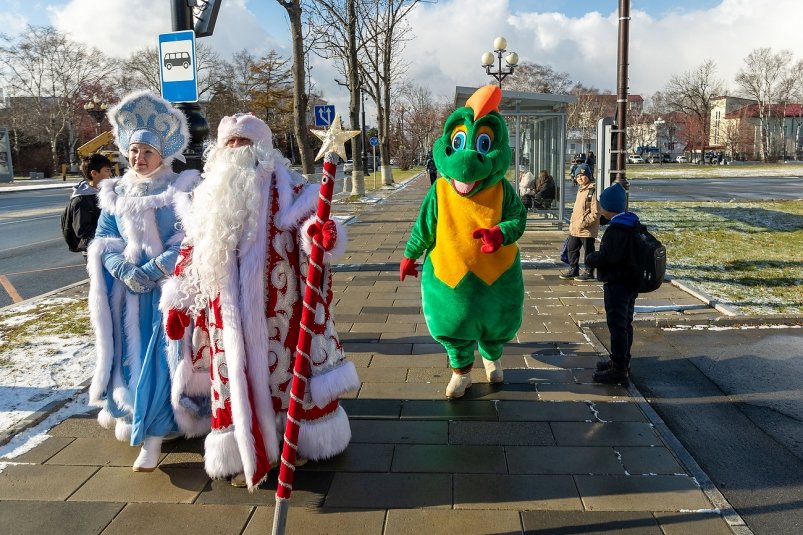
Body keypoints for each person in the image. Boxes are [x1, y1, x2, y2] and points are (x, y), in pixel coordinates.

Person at [161, 113, 360, 490]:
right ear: (218, 150)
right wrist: (178, 303)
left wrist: (322, 235)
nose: (236, 150)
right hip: (225, 317)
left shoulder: (290, 188)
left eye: (244, 142)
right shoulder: (205, 197)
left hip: (279, 310)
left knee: (284, 379)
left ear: (263, 147)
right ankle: (242, 453)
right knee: (233, 382)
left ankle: (293, 443)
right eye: (230, 143)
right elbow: (190, 252)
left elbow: (309, 228)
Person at [86, 90, 201, 472]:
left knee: (164, 360)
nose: (139, 158)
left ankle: (154, 435)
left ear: (163, 154)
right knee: (131, 358)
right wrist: (122, 269)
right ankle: (140, 417)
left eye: (147, 152)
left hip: (167, 293)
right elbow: (104, 238)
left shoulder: (180, 187)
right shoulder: (114, 191)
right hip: (127, 296)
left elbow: (188, 237)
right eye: (134, 152)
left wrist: (153, 271)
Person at [400, 85, 526, 399]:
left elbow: (517, 219)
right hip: (450, 272)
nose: (467, 158)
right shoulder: (440, 191)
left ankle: (493, 356)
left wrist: (500, 233)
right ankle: (461, 371)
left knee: (496, 321)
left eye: (483, 144)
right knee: (453, 324)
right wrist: (410, 255)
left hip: (496, 273)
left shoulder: (502, 190)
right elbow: (424, 226)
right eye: (459, 142)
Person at [585, 183, 640, 385]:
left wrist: (592, 258)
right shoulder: (629, 223)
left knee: (617, 326)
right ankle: (621, 361)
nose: (599, 209)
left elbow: (610, 257)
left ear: (608, 208)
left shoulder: (616, 231)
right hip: (629, 282)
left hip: (618, 283)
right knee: (625, 323)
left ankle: (618, 369)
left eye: (601, 206)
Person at [64, 153, 112, 256]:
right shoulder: (81, 200)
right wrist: (109, 230)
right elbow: (82, 231)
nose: (110, 174)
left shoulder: (108, 192)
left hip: (109, 246)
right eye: (107, 170)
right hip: (94, 250)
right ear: (94, 173)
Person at [559, 166, 599, 281]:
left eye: (582, 175)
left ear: (588, 176)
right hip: (575, 228)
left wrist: (584, 223)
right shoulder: (581, 190)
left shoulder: (592, 190)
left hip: (586, 229)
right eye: (578, 176)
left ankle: (589, 272)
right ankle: (573, 269)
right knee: (572, 249)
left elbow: (596, 212)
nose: (580, 178)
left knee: (588, 251)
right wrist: (573, 222)